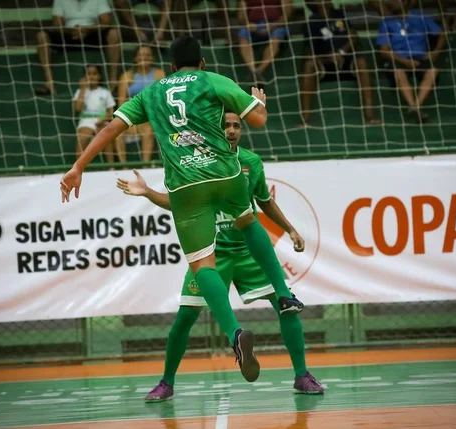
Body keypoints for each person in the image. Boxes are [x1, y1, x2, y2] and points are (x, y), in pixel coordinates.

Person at [60, 35, 304, 383]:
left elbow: (112, 128)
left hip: (185, 184)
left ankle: (235, 333)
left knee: (203, 265)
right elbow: (259, 120)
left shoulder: (152, 92)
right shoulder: (211, 79)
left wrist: (78, 166)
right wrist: (257, 102)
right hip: (225, 172)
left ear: (171, 67)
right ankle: (283, 294)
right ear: (201, 62)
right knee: (248, 219)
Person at [116, 110, 325, 401]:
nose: (231, 130)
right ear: (215, 128)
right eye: (225, 125)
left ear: (242, 130)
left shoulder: (251, 162)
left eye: (236, 126)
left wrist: (290, 229)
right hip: (211, 255)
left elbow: (265, 202)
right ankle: (166, 382)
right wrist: (149, 192)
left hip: (248, 252)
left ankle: (302, 375)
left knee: (286, 304)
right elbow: (180, 204)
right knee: (184, 320)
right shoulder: (197, 162)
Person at [301, 1, 379, 126]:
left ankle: (369, 116)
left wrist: (341, 52)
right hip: (325, 64)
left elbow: (353, 37)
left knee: (362, 63)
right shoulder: (311, 23)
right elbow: (308, 53)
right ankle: (305, 119)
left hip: (346, 61)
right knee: (309, 66)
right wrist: (328, 57)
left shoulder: (340, 15)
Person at [376, 0, 447, 122]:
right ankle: (413, 106)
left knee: (433, 71)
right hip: (399, 58)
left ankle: (416, 107)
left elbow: (442, 33)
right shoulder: (386, 22)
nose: (391, 3)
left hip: (420, 57)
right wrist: (404, 61)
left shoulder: (420, 16)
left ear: (405, 2)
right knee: (399, 72)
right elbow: (384, 51)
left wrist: (435, 52)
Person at [35, 0, 121, 96]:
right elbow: (57, 24)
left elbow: (106, 22)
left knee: (114, 33)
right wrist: (73, 30)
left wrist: (85, 29)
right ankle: (49, 83)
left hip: (91, 33)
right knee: (41, 36)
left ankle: (113, 81)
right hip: (68, 34)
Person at [113, 45, 165, 164]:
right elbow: (121, 102)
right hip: (133, 116)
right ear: (135, 58)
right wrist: (130, 122)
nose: (144, 57)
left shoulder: (159, 74)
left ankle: (145, 165)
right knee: (118, 132)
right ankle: (123, 166)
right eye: (141, 54)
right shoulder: (126, 76)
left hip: (153, 116)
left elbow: (162, 100)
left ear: (152, 58)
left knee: (148, 130)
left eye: (147, 55)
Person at [237, 0, 293, 85]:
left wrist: (272, 26)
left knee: (276, 37)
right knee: (243, 34)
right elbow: (241, 18)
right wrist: (248, 24)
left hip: (276, 25)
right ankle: (253, 70)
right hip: (254, 25)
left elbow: (286, 15)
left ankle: (260, 70)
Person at [72, 65, 115, 159]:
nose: (91, 76)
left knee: (106, 136)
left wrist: (103, 120)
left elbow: (111, 112)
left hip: (102, 120)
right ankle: (78, 167)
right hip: (86, 121)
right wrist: (83, 89)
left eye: (94, 74)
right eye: (88, 74)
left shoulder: (105, 92)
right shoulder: (80, 91)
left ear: (99, 76)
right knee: (82, 138)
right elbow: (78, 108)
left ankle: (111, 166)